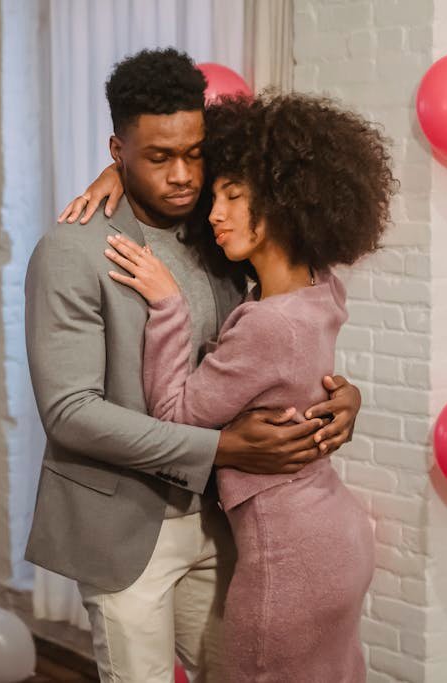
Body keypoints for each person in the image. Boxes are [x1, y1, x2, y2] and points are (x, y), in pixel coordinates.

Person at [24, 48, 362, 682]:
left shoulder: (221, 232)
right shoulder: (71, 252)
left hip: (223, 521)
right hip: (123, 529)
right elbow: (71, 414)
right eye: (157, 157)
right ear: (117, 150)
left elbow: (281, 337)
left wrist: (346, 396)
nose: (183, 176)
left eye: (195, 153)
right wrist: (222, 449)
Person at [101, 92, 395, 681]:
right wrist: (115, 170)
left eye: (234, 197)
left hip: (291, 561)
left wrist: (167, 305)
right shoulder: (322, 288)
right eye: (215, 196)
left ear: (286, 204)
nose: (214, 213)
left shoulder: (267, 324)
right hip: (340, 538)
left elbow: (176, 412)